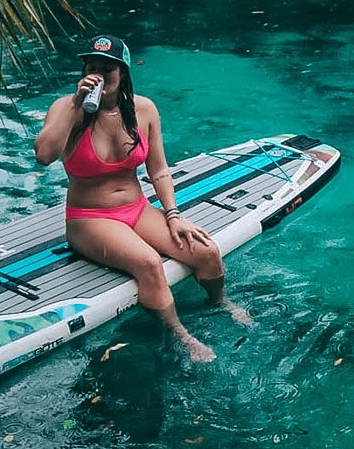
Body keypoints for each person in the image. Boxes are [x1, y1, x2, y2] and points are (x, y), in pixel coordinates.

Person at [34, 35, 245, 363]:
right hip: (89, 218)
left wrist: (173, 214)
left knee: (206, 251)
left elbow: (159, 170)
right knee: (148, 263)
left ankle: (220, 303)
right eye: (92, 68)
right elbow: (44, 156)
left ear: (124, 73)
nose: (100, 76)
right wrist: (77, 105)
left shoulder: (144, 110)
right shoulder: (67, 109)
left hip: (136, 209)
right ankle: (181, 335)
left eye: (108, 69)